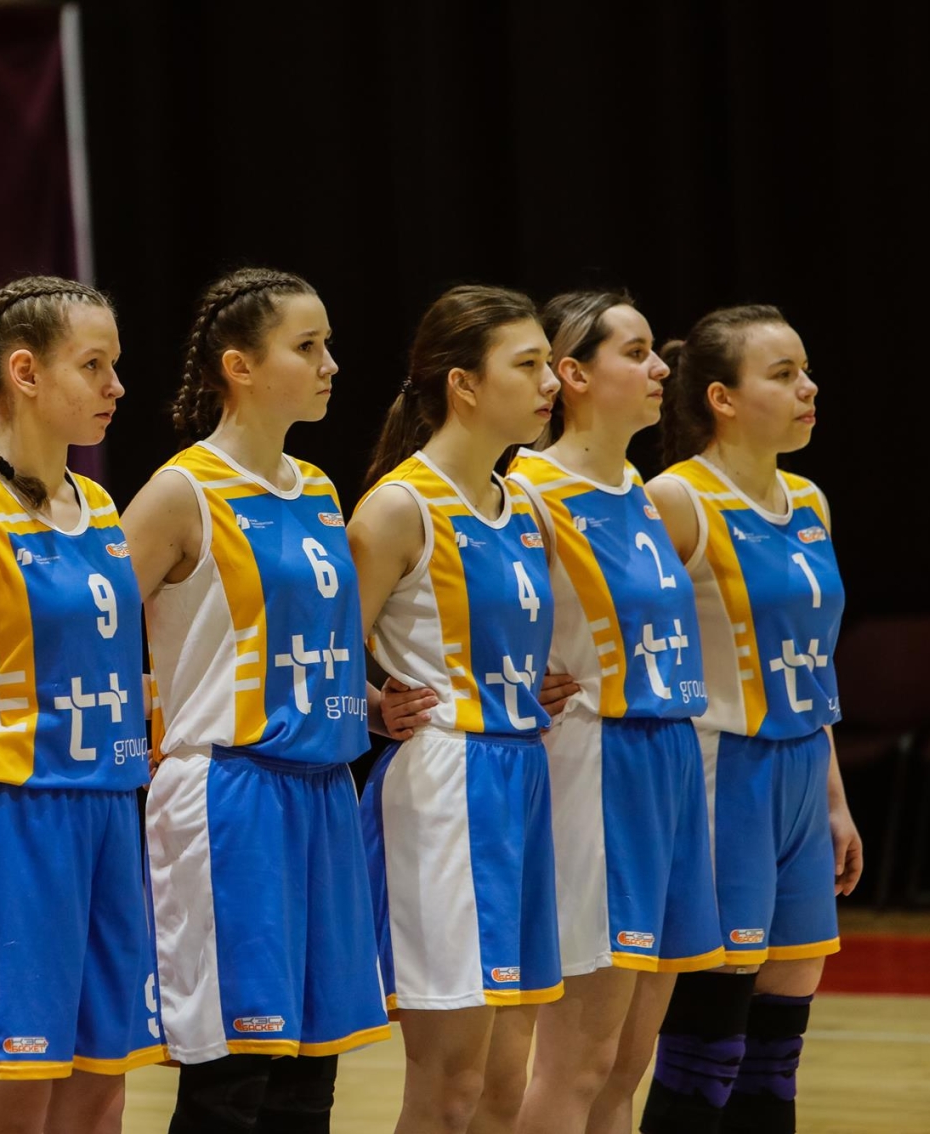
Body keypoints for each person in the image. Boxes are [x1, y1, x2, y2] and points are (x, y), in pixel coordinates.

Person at [127, 268, 396, 1134]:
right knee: (234, 1077)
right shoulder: (181, 492)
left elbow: (302, 647)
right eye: (307, 346)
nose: (330, 365)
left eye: (328, 345)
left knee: (310, 1080)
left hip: (324, 790)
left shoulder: (317, 487)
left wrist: (370, 703)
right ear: (239, 367)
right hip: (230, 793)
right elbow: (87, 624)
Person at [0, 275, 164, 1134]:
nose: (116, 386)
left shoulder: (100, 505)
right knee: (18, 1091)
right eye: (93, 366)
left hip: (109, 813)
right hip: (12, 820)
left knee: (102, 1089)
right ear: (25, 373)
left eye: (114, 365)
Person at [636, 304, 861, 1134]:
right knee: (710, 1047)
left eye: (805, 371)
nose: (809, 388)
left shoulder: (810, 500)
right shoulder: (676, 498)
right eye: (784, 374)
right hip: (721, 774)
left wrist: (834, 800)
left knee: (776, 1051)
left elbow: (814, 662)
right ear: (722, 398)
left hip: (802, 774)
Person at [506, 291, 724, 1134]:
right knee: (579, 1064)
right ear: (573, 374)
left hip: (668, 762)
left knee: (627, 1067)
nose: (661, 367)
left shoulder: (638, 487)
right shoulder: (527, 490)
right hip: (591, 767)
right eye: (635, 353)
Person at [351, 285, 564, 1134]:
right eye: (529, 364)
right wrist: (376, 708)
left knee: (506, 1086)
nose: (551, 381)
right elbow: (329, 657)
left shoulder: (526, 506)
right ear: (464, 384)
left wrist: (531, 686)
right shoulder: (398, 507)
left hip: (523, 776)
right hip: (444, 786)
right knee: (451, 1087)